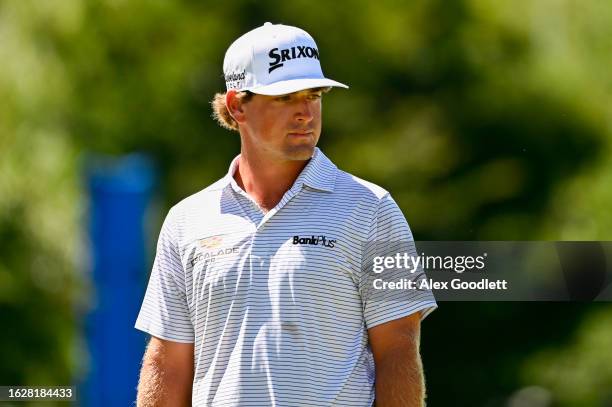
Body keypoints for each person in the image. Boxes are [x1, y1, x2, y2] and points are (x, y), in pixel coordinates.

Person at [135, 22, 437, 407]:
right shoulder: (186, 221)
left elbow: (397, 351)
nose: (305, 113)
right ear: (236, 105)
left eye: (314, 95)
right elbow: (168, 362)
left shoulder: (373, 209)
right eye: (285, 97)